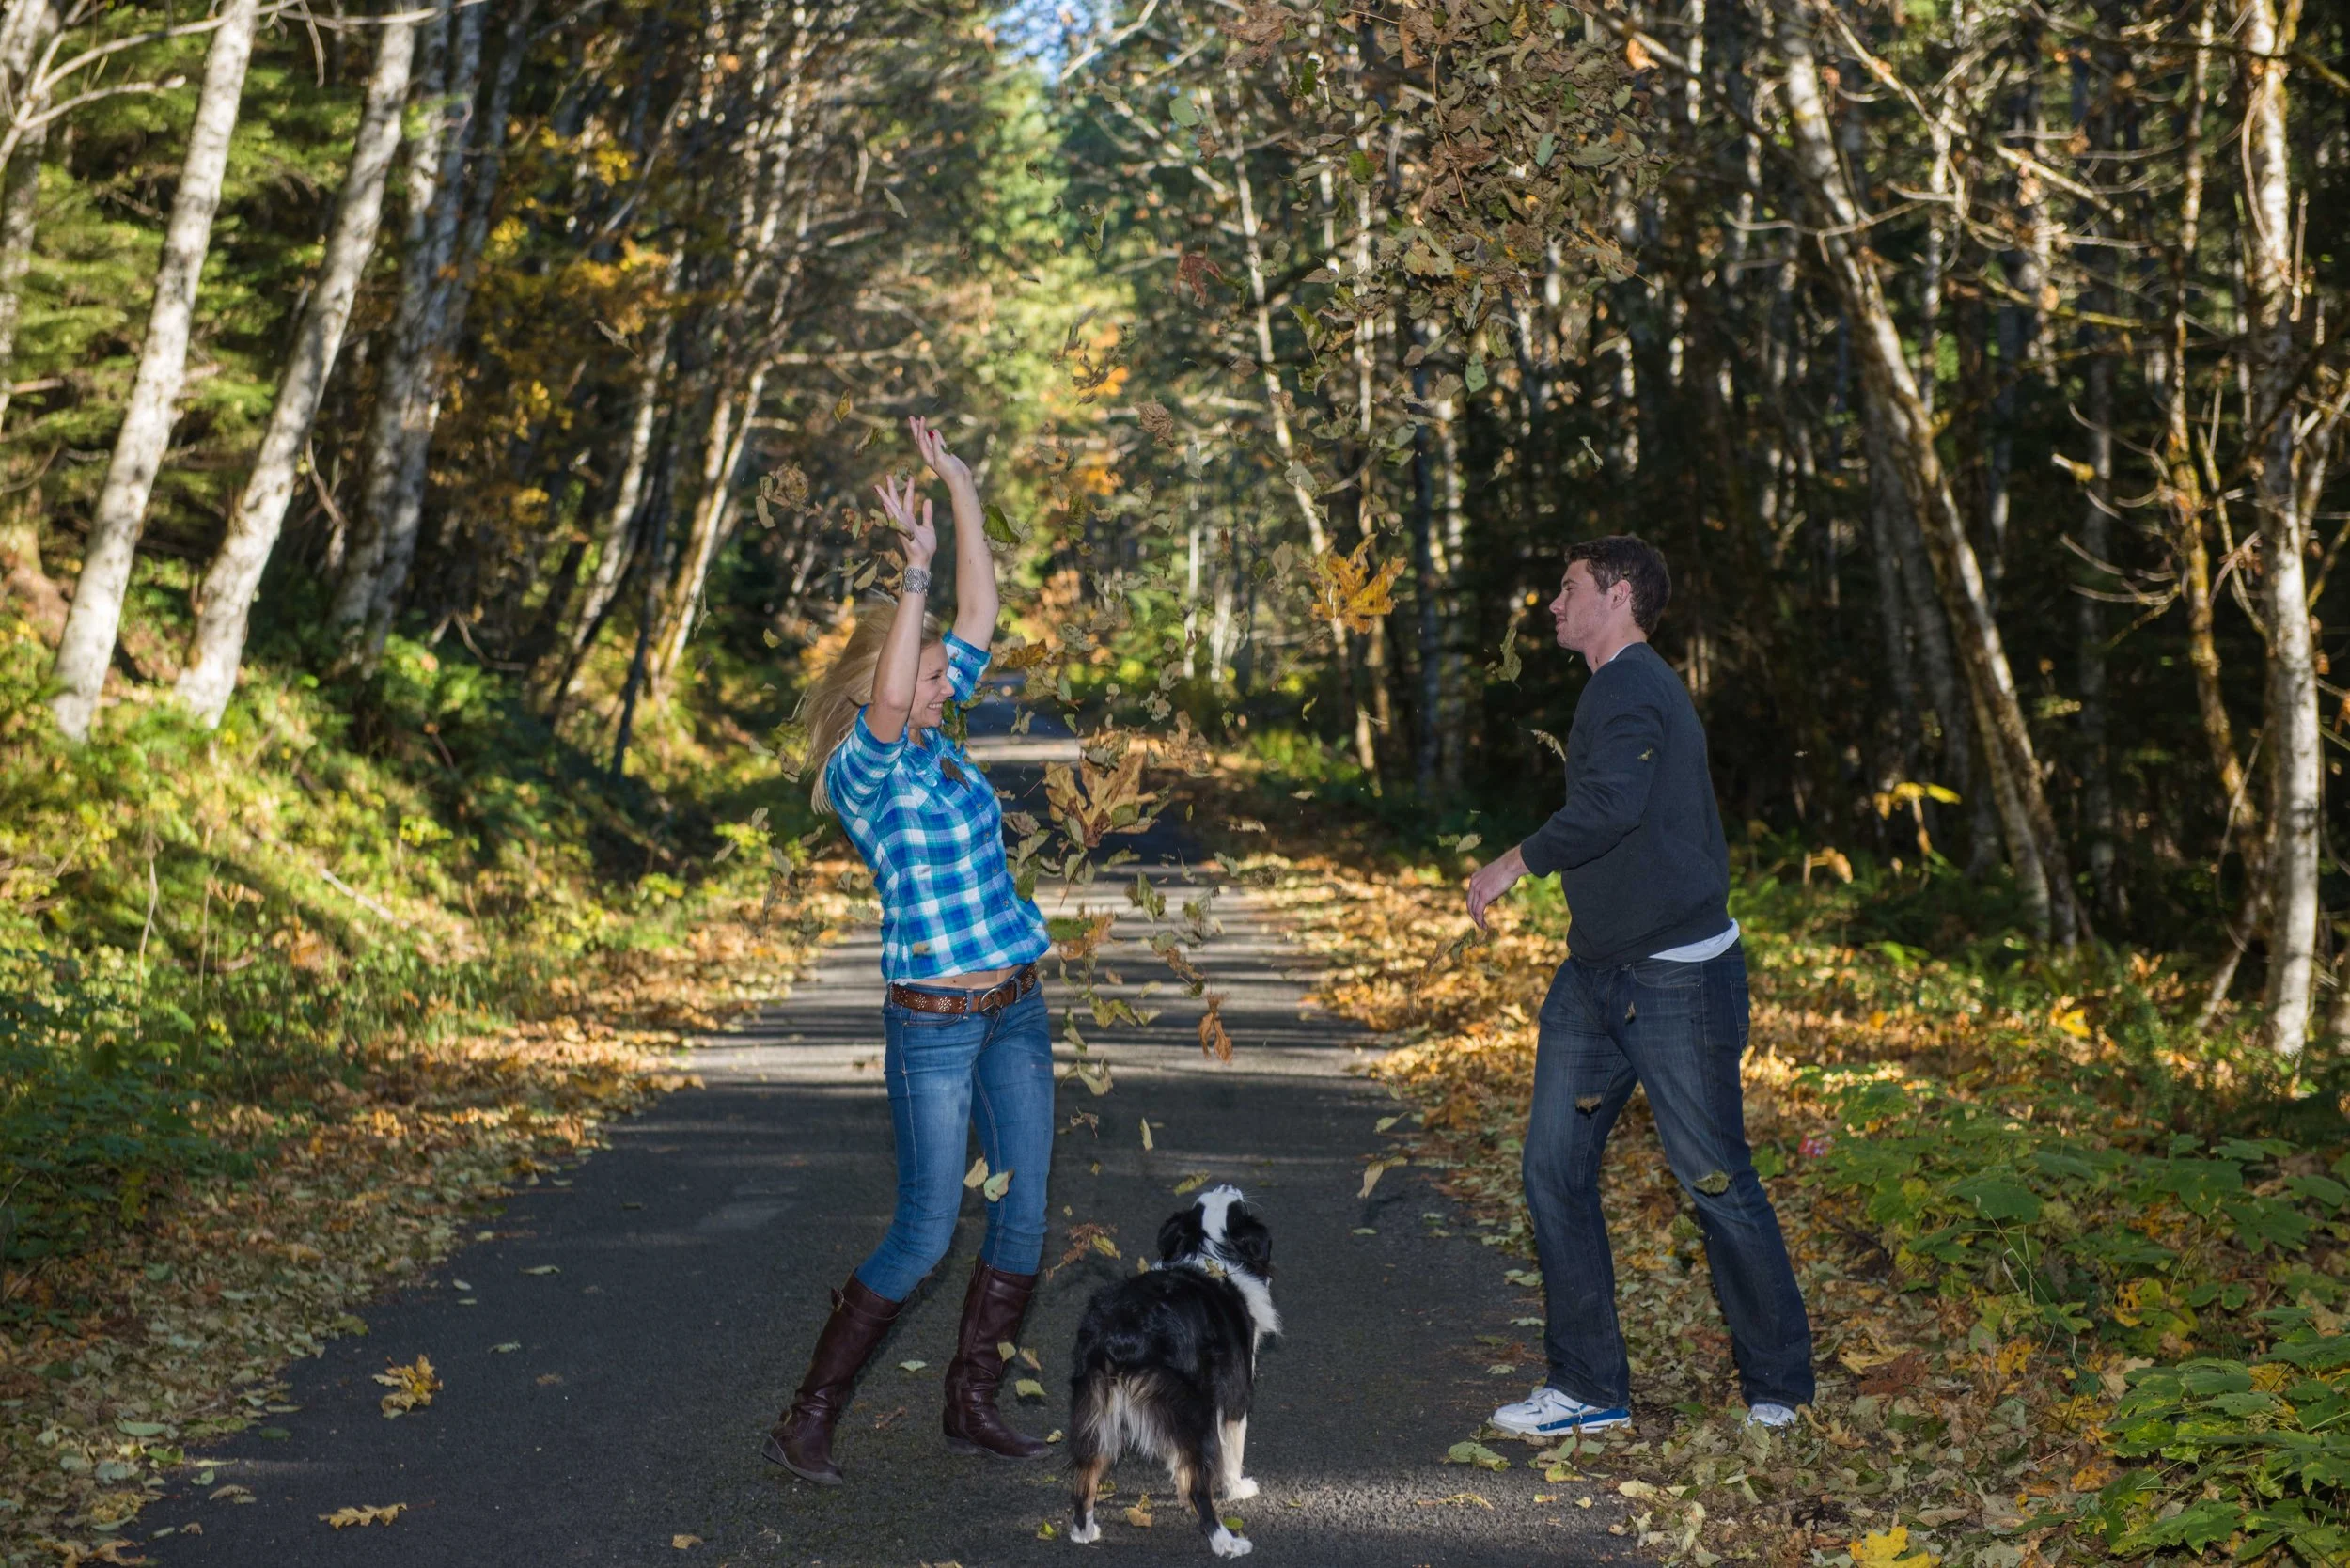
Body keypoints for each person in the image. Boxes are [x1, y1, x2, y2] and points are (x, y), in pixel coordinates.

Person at [1465, 536, 1813, 1437]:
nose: (1552, 602)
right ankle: (1588, 1389)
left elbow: (1612, 804)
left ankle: (1781, 1391)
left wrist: (1516, 860)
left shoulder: (1631, 685)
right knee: (1552, 1171)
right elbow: (1624, 815)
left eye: (1568, 587)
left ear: (1616, 595)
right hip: (1597, 975)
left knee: (1715, 1180)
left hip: (1674, 981)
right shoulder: (1613, 686)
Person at [764, 416, 1057, 1486]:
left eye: (944, 680)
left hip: (1014, 1005)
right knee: (928, 1229)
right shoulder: (867, 767)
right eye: (937, 678)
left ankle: (969, 1403)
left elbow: (978, 618)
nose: (949, 687)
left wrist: (964, 490)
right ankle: (809, 1415)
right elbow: (898, 685)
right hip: (933, 1021)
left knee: (1023, 1209)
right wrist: (913, 574)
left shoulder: (934, 743)